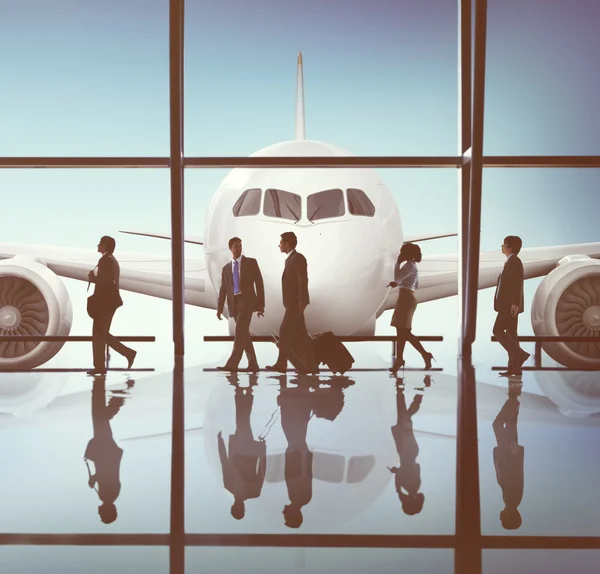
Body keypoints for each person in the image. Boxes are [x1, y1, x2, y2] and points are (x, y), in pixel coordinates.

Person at [266, 232, 317, 374]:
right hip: (292, 303)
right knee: (301, 335)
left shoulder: (298, 258)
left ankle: (281, 364)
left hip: (295, 303)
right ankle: (312, 366)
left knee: (284, 331)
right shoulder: (290, 259)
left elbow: (303, 279)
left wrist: (302, 301)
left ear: (287, 244)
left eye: (281, 243)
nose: (279, 245)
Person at [217, 373, 266, 520]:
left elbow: (224, 463)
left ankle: (245, 393)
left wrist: (220, 443)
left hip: (243, 449)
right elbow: (262, 471)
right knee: (243, 422)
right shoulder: (252, 491)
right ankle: (242, 393)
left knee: (243, 422)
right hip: (248, 449)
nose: (239, 505)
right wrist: (263, 451)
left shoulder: (232, 486)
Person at [87, 236, 136, 376]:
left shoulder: (105, 260)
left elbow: (104, 283)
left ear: (105, 246)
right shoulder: (112, 261)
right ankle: (127, 353)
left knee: (98, 334)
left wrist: (93, 279)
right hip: (109, 303)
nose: (98, 244)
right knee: (101, 334)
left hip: (104, 303)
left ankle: (100, 367)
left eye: (100, 243)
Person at [84, 375, 129, 524]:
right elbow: (106, 473)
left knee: (100, 418)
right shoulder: (107, 495)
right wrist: (93, 479)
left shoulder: (111, 495)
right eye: (102, 515)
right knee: (99, 418)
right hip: (105, 450)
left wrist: (94, 477)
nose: (99, 513)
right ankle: (112, 395)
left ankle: (110, 395)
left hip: (107, 450)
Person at [216, 237, 265, 372]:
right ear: (230, 249)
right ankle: (253, 364)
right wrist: (220, 308)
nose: (238, 248)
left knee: (239, 333)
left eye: (240, 246)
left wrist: (261, 305)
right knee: (244, 334)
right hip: (234, 304)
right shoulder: (226, 269)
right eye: (235, 246)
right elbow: (223, 289)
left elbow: (259, 284)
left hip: (247, 302)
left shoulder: (251, 263)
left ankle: (232, 364)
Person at [387, 243, 434, 373]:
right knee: (402, 332)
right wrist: (400, 283)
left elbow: (397, 279)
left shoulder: (408, 265)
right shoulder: (413, 266)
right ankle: (402, 359)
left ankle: (421, 355)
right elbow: (415, 285)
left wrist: (397, 264)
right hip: (408, 298)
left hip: (405, 299)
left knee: (403, 332)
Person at [493, 236, 530, 377]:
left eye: (503, 244)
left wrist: (515, 303)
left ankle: (520, 355)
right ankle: (515, 368)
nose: (501, 247)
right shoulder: (509, 262)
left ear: (509, 247)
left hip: (508, 305)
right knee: (511, 335)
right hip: (507, 305)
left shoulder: (514, 261)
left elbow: (517, 283)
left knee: (497, 330)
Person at [388, 378, 425, 516]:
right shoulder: (411, 487)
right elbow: (409, 469)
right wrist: (398, 490)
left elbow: (415, 467)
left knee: (404, 416)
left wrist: (399, 471)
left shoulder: (413, 487)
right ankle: (415, 394)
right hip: (407, 451)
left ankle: (403, 391)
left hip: (408, 452)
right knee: (405, 416)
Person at [492, 379, 524, 530]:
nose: (499, 518)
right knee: (498, 424)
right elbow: (516, 475)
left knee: (510, 424)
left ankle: (514, 394)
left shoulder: (511, 501)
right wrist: (516, 455)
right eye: (503, 520)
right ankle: (513, 398)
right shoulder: (512, 500)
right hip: (508, 453)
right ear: (509, 517)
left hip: (508, 453)